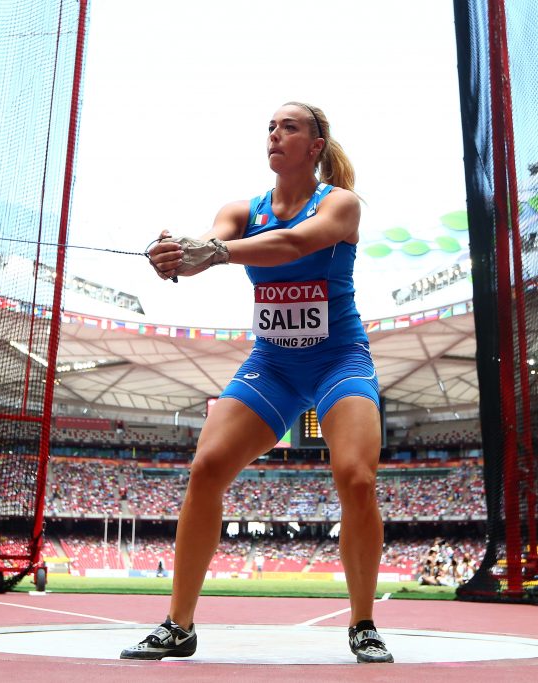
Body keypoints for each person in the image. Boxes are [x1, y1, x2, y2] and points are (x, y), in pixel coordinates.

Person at [119, 102, 392, 664]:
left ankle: (362, 623)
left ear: (315, 146)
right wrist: (178, 255)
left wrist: (212, 255)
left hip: (338, 360)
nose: (275, 133)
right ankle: (179, 625)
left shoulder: (339, 204)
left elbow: (293, 245)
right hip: (272, 365)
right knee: (206, 468)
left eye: (289, 126)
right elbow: (211, 238)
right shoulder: (242, 212)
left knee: (356, 478)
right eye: (270, 126)